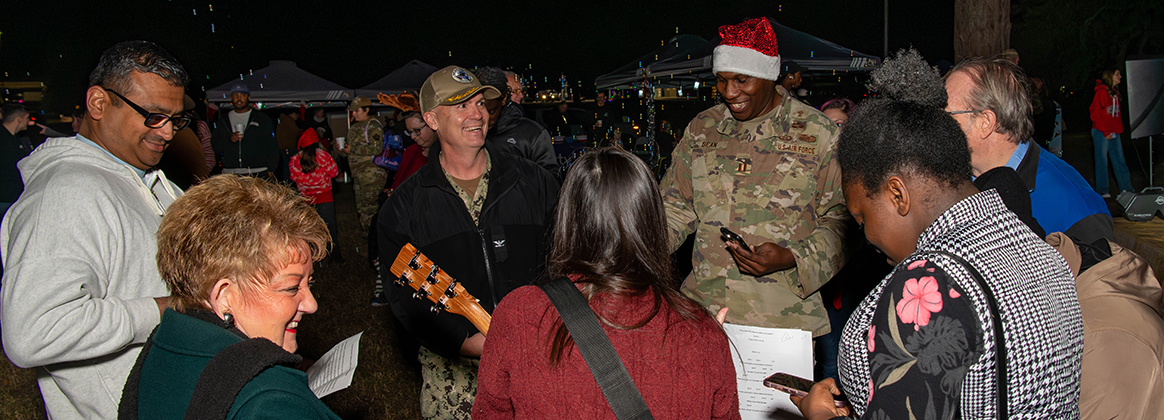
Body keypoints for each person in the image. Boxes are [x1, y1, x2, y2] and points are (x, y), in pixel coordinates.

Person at [793, 65, 1084, 419]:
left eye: (862, 218)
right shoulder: (1040, 251)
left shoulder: (929, 284)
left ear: (897, 194)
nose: (867, 237)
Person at [472, 148, 740, 420]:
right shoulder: (702, 331)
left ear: (568, 219)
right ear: (652, 222)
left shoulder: (520, 313)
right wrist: (700, 341)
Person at [0, 40, 188, 420]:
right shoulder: (65, 193)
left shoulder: (155, 183)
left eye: (175, 119)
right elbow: (32, 331)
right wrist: (168, 309)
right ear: (99, 103)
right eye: (153, 116)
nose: (167, 133)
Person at [377, 65, 558, 419]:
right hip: (455, 384)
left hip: (534, 367)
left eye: (480, 102)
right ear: (431, 119)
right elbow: (405, 299)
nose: (477, 113)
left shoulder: (535, 183)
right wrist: (470, 342)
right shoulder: (404, 208)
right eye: (461, 106)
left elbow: (563, 261)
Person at [659, 17, 851, 333]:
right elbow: (675, 207)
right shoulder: (702, 129)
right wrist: (635, 251)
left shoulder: (818, 134)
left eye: (741, 80)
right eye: (721, 80)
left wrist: (792, 257)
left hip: (784, 322)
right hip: (703, 317)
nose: (729, 92)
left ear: (768, 75)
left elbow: (843, 223)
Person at [118, 174, 340, 419]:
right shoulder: (269, 401)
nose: (311, 304)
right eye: (290, 288)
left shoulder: (164, 343)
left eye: (308, 283)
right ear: (224, 296)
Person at [944, 57, 1111, 244]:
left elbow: (1104, 272)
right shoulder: (953, 181)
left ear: (985, 122)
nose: (936, 124)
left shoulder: (1075, 211)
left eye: (946, 114)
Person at [475, 66, 559, 176]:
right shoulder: (464, 132)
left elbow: (550, 182)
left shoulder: (532, 133)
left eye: (491, 112)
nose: (484, 118)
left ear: (504, 99)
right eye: (480, 108)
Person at [290, 129, 342, 263]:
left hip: (306, 200)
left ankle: (313, 259)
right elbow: (334, 172)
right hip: (324, 197)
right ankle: (334, 258)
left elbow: (293, 177)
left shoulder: (296, 158)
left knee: (310, 230)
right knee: (329, 229)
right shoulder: (323, 155)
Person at [211, 83, 278, 178]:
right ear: (231, 98)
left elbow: (271, 144)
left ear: (248, 97)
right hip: (231, 173)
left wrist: (271, 169)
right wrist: (230, 140)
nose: (239, 98)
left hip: (258, 171)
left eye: (243, 95)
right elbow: (216, 146)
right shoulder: (223, 121)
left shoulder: (261, 118)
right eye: (235, 95)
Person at [344, 96, 387, 234]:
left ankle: (374, 239)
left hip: (371, 174)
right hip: (358, 173)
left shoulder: (373, 125)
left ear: (366, 109)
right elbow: (352, 150)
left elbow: (376, 148)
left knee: (370, 208)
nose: (354, 113)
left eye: (357, 110)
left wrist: (353, 149)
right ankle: (368, 237)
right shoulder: (355, 126)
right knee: (361, 208)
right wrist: (344, 150)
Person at [1090, 68, 1133, 197]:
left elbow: (1115, 115)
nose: (1120, 76)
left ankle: (1127, 190)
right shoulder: (1101, 93)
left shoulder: (1114, 93)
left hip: (1114, 132)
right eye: (1117, 74)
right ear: (1110, 76)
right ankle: (1103, 191)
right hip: (1101, 131)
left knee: (1119, 160)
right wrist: (1105, 131)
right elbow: (1095, 114)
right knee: (1102, 161)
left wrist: (1117, 130)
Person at [0, 104, 32, 215]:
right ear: (18, 120)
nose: (28, 121)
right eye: (26, 118)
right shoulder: (5, 140)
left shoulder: (14, 139)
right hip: (6, 196)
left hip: (11, 195)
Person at [392, 111, 435, 189]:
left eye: (416, 130)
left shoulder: (447, 154)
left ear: (432, 124)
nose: (412, 137)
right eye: (410, 132)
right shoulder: (410, 151)